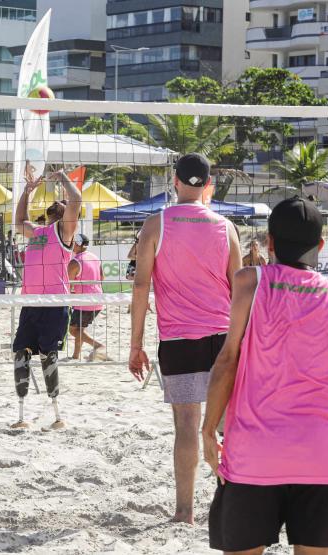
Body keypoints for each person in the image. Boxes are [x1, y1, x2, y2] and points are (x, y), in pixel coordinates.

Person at [202, 196, 328, 554]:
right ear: (321, 245)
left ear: (270, 242)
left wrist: (207, 429)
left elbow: (227, 362)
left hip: (255, 454)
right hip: (323, 453)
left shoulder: (249, 282)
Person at [128, 153, 242, 524]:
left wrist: (135, 344)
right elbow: (241, 289)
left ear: (174, 181)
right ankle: (233, 502)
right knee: (230, 424)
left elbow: (142, 286)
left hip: (179, 340)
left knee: (187, 426)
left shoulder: (155, 225)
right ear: (208, 185)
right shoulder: (226, 227)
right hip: (223, 336)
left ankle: (185, 512)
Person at [11, 163, 82, 430]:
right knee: (21, 354)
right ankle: (21, 416)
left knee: (48, 356)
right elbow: (18, 222)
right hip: (31, 304)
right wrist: (28, 191)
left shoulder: (64, 234)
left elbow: (76, 199)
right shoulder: (38, 233)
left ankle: (57, 415)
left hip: (54, 304)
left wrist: (61, 176)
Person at [67, 234, 106, 361]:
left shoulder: (74, 262)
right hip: (98, 300)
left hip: (84, 302)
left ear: (77, 244)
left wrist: (72, 294)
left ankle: (98, 345)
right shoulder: (94, 257)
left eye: (72, 243)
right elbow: (102, 278)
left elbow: (68, 284)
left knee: (73, 329)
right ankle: (75, 356)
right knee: (79, 329)